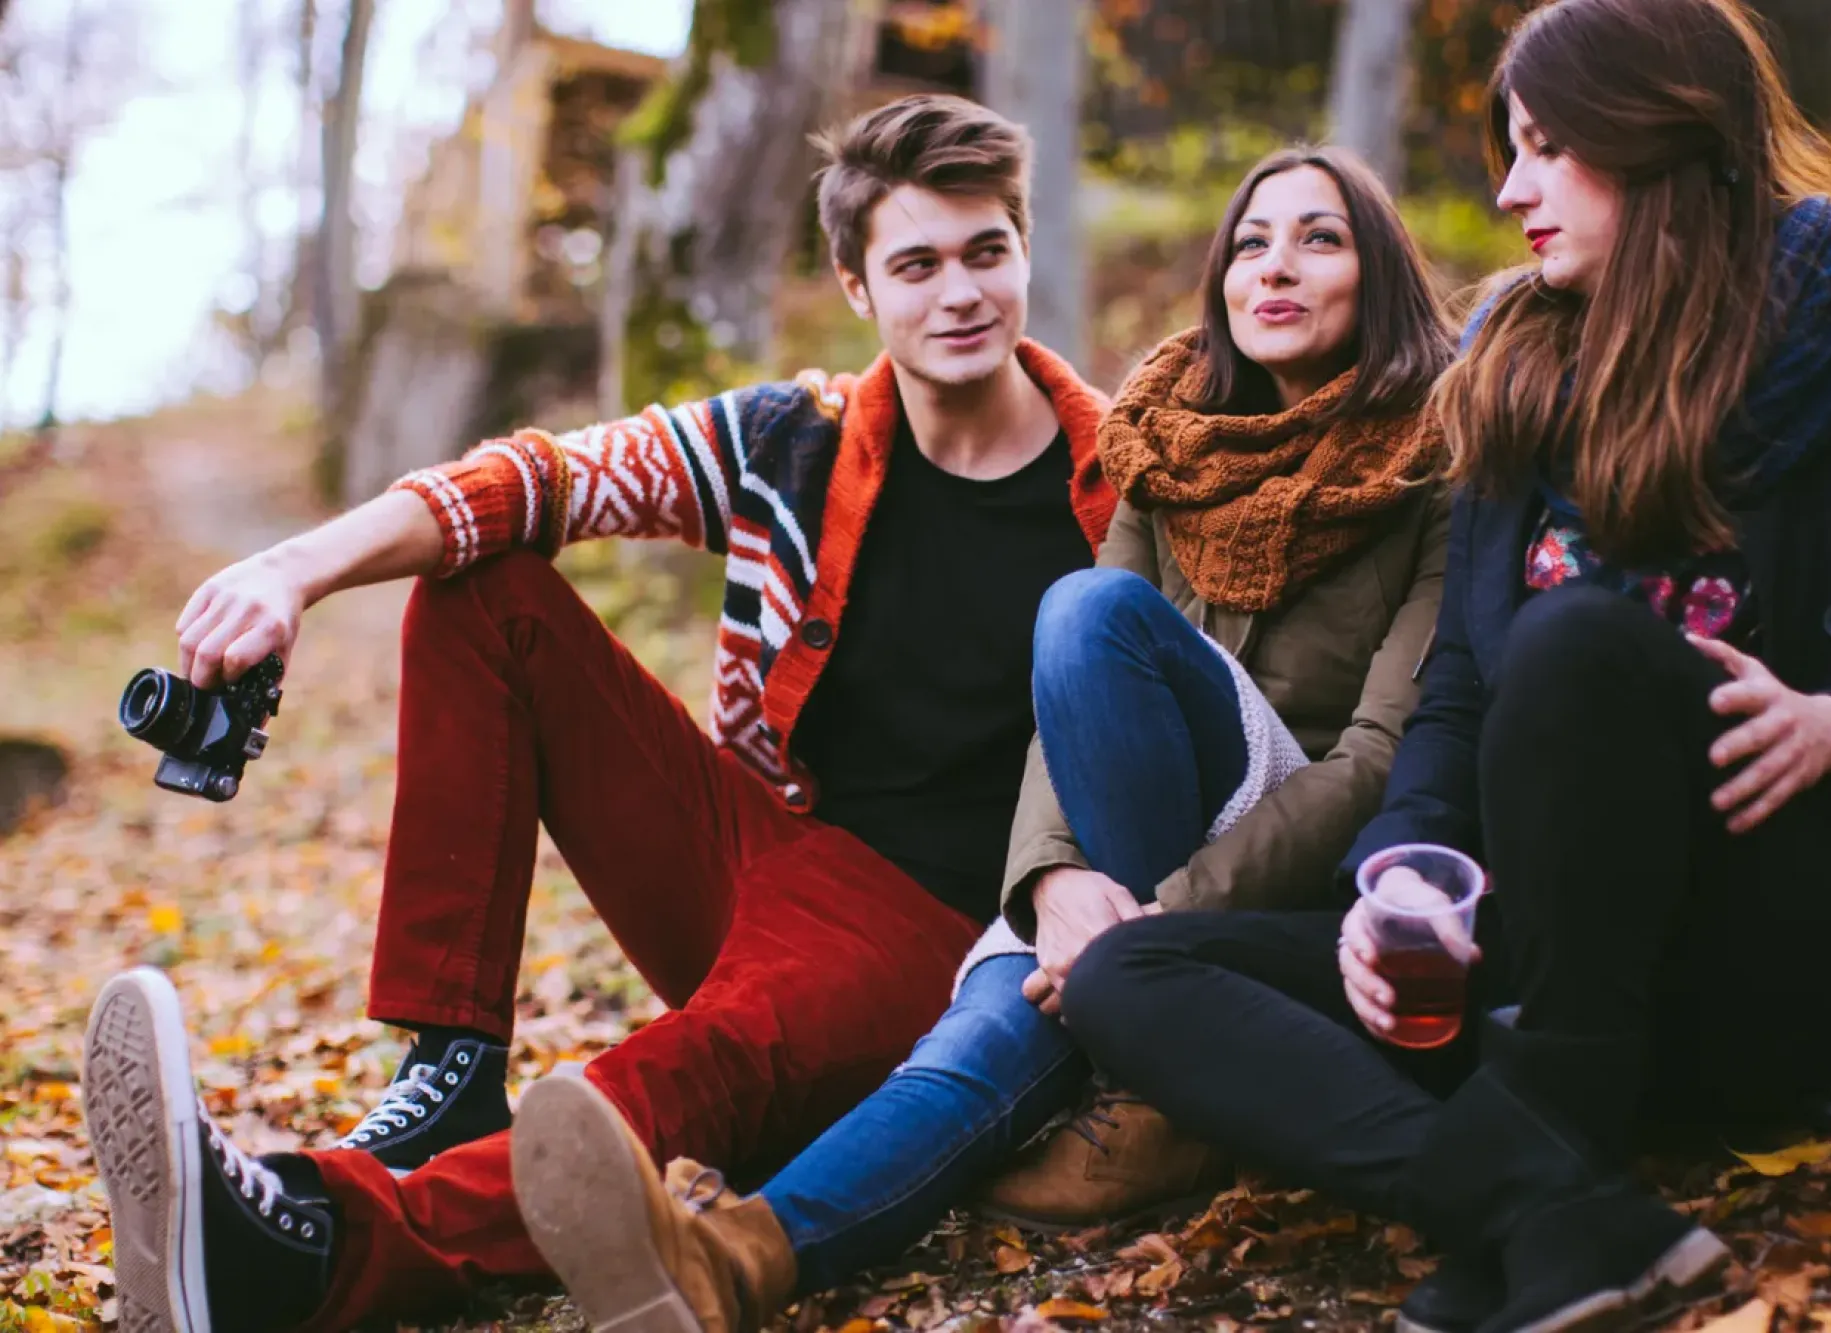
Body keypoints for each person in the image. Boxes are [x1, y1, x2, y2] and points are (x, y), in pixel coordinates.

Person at [1054, 2, 1831, 1332]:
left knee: (1579, 639)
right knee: (1134, 975)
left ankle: (1536, 1158)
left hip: (1779, 957)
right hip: (1526, 960)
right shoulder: (1515, 384)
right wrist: (1402, 876)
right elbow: (1460, 690)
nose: (1509, 189)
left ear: (1660, 137)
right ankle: (1549, 1207)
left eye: (1545, 148)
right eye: (1507, 150)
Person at [82, 94, 1125, 1333]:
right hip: (760, 850)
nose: (957, 293)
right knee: (489, 594)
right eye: (915, 264)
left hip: (936, 936)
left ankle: (317, 1246)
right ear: (856, 287)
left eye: (983, 252)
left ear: (1019, 250)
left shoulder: (1125, 490)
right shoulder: (796, 442)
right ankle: (452, 1065)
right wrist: (287, 570)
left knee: (682, 1070)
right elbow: (535, 479)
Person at [501, 144, 1458, 1333]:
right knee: (980, 1030)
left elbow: (1380, 752)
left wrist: (1166, 916)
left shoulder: (1441, 464)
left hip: (1288, 862)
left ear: (1380, 279)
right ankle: (734, 1261)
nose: (1276, 266)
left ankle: (1139, 1081)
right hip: (1125, 847)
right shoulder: (1166, 447)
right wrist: (1053, 883)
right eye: (1251, 242)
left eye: (1321, 240)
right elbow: (1070, 712)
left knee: (1088, 612)